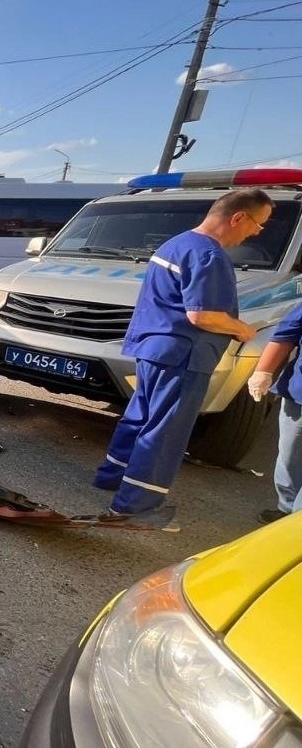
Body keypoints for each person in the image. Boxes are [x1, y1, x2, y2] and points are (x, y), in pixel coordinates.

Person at [93, 187, 272, 516]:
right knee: (165, 432)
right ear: (238, 217)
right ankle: (136, 505)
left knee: (140, 418)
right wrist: (242, 329)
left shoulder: (176, 243)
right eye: (258, 225)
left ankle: (112, 477)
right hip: (183, 356)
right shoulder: (210, 255)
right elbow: (202, 315)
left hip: (154, 349)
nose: (256, 233)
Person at [246, 300, 302, 523]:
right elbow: (285, 336)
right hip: (299, 396)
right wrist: (263, 372)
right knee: (290, 456)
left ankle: (294, 524)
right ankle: (287, 507)